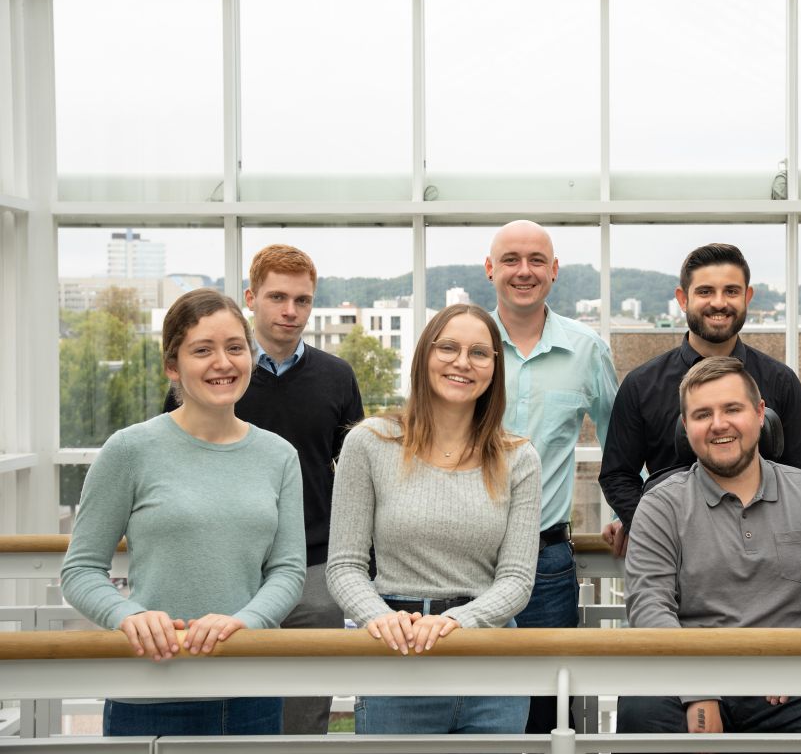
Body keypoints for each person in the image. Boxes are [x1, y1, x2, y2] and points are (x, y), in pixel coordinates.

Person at [62, 288, 305, 736]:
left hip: (250, 688)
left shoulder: (279, 456)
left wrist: (244, 622)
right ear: (173, 365)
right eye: (202, 350)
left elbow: (288, 571)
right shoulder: (128, 450)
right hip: (151, 689)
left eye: (235, 348)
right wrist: (128, 616)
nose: (223, 362)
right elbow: (80, 570)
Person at [618, 356, 801, 737]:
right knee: (640, 717)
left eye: (732, 409)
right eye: (702, 414)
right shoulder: (661, 505)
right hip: (691, 672)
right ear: (686, 426)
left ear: (760, 414)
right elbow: (649, 604)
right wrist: (696, 689)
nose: (718, 424)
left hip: (791, 683)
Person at [163, 244, 363, 734]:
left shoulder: (337, 377)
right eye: (277, 297)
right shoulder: (213, 374)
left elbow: (358, 471)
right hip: (227, 561)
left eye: (303, 300)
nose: (290, 311)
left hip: (315, 565)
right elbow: (171, 454)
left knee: (303, 715)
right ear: (251, 298)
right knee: (224, 704)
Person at [326, 303, 541, 735]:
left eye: (479, 353)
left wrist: (458, 623)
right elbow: (345, 566)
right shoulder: (369, 443)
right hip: (396, 657)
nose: (462, 362)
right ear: (425, 355)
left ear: (494, 369)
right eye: (448, 348)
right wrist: (377, 617)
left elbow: (517, 580)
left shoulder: (519, 458)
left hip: (491, 668)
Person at [600, 243, 801, 553]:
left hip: (767, 556)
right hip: (676, 561)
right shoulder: (641, 385)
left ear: (747, 297)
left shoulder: (781, 382)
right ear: (682, 298)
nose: (719, 303)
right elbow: (618, 474)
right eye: (705, 292)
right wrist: (650, 529)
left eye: (731, 291)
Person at [486, 220, 617, 733]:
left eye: (537, 260)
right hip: (462, 556)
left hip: (546, 560)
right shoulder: (461, 344)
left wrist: (634, 514)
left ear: (555, 270)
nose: (524, 271)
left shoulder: (587, 349)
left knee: (547, 710)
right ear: (490, 268)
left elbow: (621, 445)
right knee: (468, 696)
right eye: (511, 259)